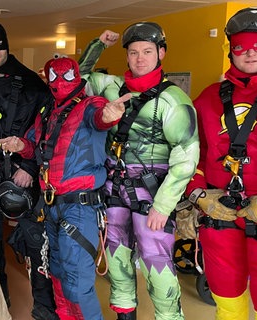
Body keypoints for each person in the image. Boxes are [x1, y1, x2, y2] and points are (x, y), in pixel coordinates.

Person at [80, 23, 199, 320]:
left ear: (161, 53)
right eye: (133, 52)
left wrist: (164, 204)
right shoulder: (112, 87)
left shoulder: (175, 101)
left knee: (157, 265)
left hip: (153, 194)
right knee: (117, 261)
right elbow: (78, 78)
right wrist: (98, 45)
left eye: (147, 51)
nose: (140, 58)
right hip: (114, 189)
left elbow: (186, 158)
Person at [0, 56, 127, 319]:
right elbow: (37, 146)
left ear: (77, 76)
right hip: (52, 207)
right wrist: (20, 145)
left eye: (67, 75)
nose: (60, 82)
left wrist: (108, 116)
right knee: (56, 277)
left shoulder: (90, 105)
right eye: (54, 76)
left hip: (79, 208)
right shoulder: (49, 112)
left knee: (77, 285)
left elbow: (100, 118)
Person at [0, 21, 57, 319]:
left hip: (26, 174)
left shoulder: (33, 84)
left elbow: (46, 131)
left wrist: (30, 166)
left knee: (36, 243)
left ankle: (44, 308)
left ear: (8, 46)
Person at [185, 7, 257, 320]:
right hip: (220, 213)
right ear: (231, 50)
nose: (250, 53)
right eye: (242, 47)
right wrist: (198, 195)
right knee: (227, 295)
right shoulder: (207, 98)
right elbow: (189, 155)